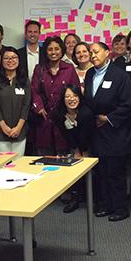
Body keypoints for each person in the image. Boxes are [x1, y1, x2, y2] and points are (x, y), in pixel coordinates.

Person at [84, 42, 131, 222]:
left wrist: (108, 118)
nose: (93, 55)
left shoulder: (119, 75)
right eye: (90, 52)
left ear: (107, 53)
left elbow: (130, 104)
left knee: (115, 171)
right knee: (101, 171)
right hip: (97, 132)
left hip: (116, 131)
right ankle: (106, 205)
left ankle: (120, 208)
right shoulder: (90, 74)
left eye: (96, 52)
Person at [30, 36, 80, 155]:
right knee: (44, 156)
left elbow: (75, 91)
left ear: (62, 50)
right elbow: (34, 91)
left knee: (65, 157)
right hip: (44, 118)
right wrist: (39, 107)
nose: (53, 52)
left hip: (63, 118)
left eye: (57, 49)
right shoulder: (39, 69)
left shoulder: (69, 68)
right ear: (45, 51)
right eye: (50, 49)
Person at [55, 84, 95, 213]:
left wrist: (83, 152)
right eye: (67, 96)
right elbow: (67, 135)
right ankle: (75, 197)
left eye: (75, 96)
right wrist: (76, 151)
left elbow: (86, 138)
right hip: (74, 145)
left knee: (88, 166)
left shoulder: (86, 113)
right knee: (72, 164)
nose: (71, 99)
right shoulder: (59, 114)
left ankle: (94, 199)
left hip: (91, 145)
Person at [0, 47, 30, 155]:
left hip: (19, 131)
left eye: (13, 57)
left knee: (18, 165)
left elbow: (26, 104)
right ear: (2, 61)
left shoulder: (24, 80)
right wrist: (3, 126)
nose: (10, 61)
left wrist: (19, 127)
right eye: (6, 58)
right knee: (4, 166)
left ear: (19, 60)